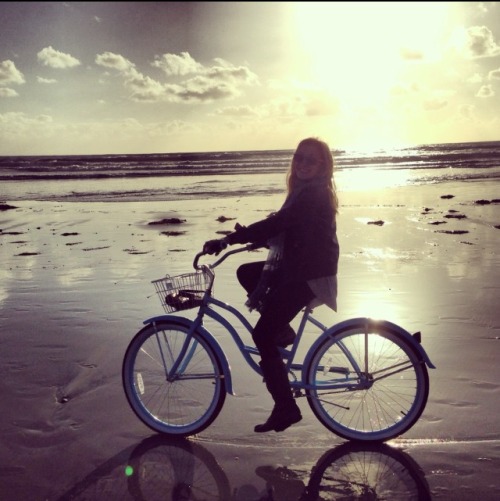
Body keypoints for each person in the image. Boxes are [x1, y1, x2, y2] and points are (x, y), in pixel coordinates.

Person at [203, 137, 339, 433]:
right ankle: (282, 330)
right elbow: (289, 227)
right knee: (248, 273)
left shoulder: (313, 195)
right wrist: (257, 239)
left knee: (262, 334)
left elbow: (279, 223)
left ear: (323, 166)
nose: (302, 164)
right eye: (299, 157)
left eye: (310, 160)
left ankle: (286, 408)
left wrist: (229, 239)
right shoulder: (303, 193)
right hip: (300, 267)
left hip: (309, 275)